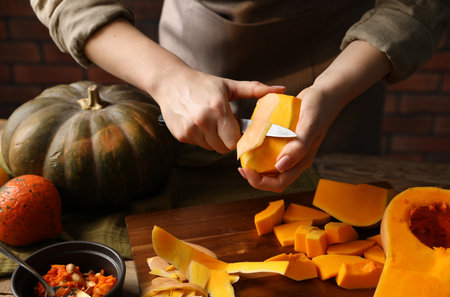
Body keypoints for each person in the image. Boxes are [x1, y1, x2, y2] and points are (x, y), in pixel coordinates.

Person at [31, 0, 449, 194]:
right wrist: (166, 78)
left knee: (336, 196)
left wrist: (332, 90)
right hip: (193, 49)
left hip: (347, 61)